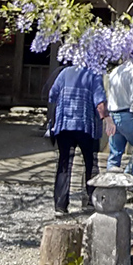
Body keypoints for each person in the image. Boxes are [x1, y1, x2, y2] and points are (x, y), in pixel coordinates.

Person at [48, 64, 115, 215]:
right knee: (90, 163)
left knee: (64, 163)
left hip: (65, 125)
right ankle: (91, 200)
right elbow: (99, 101)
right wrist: (107, 119)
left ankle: (60, 205)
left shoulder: (65, 73)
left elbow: (52, 94)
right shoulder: (93, 74)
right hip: (86, 126)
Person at [105, 54, 133, 180]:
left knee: (115, 152)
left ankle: (110, 184)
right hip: (128, 115)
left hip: (113, 114)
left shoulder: (115, 71)